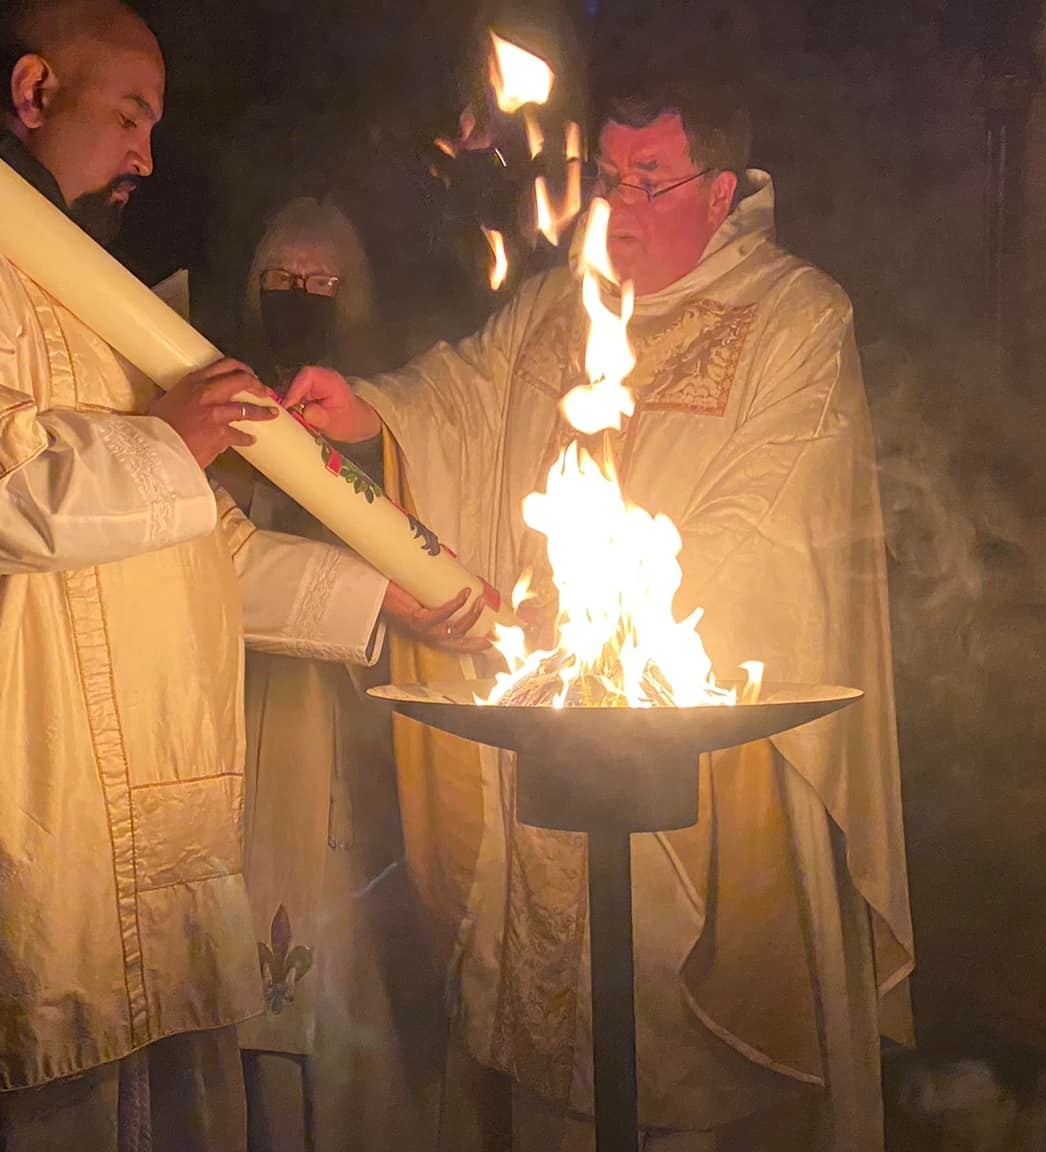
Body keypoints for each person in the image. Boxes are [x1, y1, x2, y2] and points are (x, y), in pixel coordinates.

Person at [0, 3, 475, 1147]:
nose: (149, 154)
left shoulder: (89, 289)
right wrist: (175, 439)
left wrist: (384, 598)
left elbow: (195, 549)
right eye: (131, 114)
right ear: (34, 90)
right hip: (20, 816)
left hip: (159, 834)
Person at [285, 72, 914, 1149]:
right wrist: (370, 409)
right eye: (608, 178)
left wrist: (618, 621)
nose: (617, 206)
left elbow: (772, 508)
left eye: (651, 181)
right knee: (541, 1058)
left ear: (720, 192)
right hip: (548, 712)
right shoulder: (550, 299)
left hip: (692, 735)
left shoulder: (793, 313)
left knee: (677, 1076)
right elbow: (464, 397)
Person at [230, 197, 449, 1152]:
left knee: (359, 958)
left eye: (324, 281)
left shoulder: (379, 410)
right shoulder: (216, 388)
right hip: (249, 714)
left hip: (360, 723)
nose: (302, 295)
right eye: (284, 276)